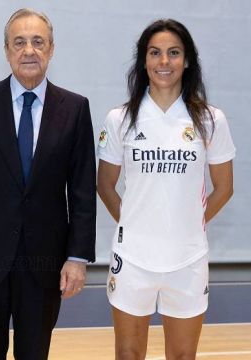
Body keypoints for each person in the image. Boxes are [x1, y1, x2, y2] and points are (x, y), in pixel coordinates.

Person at [0, 8, 96, 359]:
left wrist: (77, 256)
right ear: (7, 50)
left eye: (38, 42)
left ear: (52, 49)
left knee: (34, 353)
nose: (29, 50)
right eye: (20, 42)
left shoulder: (74, 108)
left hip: (46, 261)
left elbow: (82, 189)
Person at [97, 19, 235, 360]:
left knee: (183, 356)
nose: (164, 62)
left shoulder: (210, 119)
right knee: (128, 355)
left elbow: (224, 187)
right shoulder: (121, 119)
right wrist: (133, 222)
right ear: (144, 61)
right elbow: (105, 184)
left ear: (186, 60)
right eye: (155, 53)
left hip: (187, 259)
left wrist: (190, 222)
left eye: (173, 53)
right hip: (133, 260)